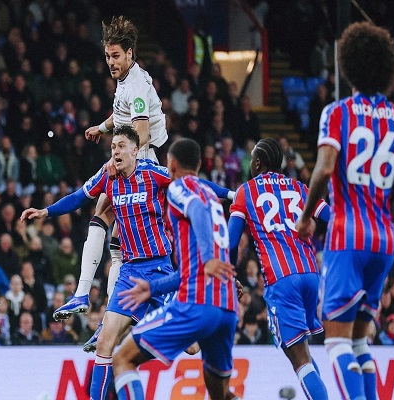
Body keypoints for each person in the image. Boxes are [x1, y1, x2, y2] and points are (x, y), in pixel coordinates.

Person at [21, 126, 174, 400]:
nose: (115, 151)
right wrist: (46, 211)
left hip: (159, 269)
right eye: (112, 146)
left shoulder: (153, 173)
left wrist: (231, 196)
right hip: (130, 272)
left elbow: (190, 185)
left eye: (120, 146)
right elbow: (78, 197)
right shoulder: (108, 176)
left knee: (192, 348)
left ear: (135, 150)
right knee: (104, 343)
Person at [296, 22, 394, 400]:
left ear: (348, 65)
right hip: (384, 237)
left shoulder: (337, 113)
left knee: (337, 341)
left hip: (348, 233)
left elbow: (325, 169)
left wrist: (306, 215)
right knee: (360, 341)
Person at [53, 16, 169, 325]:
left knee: (102, 215)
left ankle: (86, 296)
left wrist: (124, 161)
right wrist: (102, 127)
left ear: (130, 53)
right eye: (107, 56)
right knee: (117, 242)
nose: (110, 62)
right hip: (135, 158)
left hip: (141, 161)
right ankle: (105, 317)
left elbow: (141, 131)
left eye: (115, 55)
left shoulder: (138, 86)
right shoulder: (126, 80)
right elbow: (122, 113)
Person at [111, 138, 237, 400]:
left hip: (196, 304)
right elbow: (191, 270)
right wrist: (153, 288)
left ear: (172, 165)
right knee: (221, 394)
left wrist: (208, 258)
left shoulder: (180, 187)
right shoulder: (212, 197)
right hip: (225, 307)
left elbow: (196, 210)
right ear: (200, 164)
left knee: (123, 359)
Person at [228, 138, 329, 399]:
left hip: (282, 279)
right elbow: (332, 217)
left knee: (300, 361)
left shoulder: (245, 191)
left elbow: (231, 243)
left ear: (257, 163)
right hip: (311, 274)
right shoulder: (299, 187)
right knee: (304, 355)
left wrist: (230, 275)